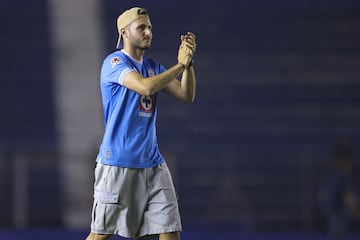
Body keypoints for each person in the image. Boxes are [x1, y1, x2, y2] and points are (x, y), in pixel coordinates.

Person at [86, 6, 196, 240]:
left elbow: (187, 95)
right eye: (142, 28)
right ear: (124, 33)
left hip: (153, 165)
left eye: (150, 28)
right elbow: (146, 87)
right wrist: (179, 66)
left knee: (170, 232)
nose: (148, 32)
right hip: (117, 164)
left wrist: (189, 64)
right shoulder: (114, 62)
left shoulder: (153, 67)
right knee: (99, 236)